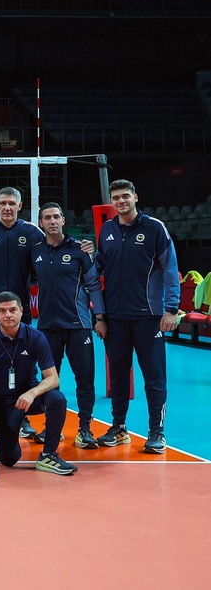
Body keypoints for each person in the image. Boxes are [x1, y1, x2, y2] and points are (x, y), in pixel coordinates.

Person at [93, 179, 178, 454]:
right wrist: (99, 316)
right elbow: (97, 269)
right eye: (116, 197)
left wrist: (171, 309)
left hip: (148, 317)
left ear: (135, 197)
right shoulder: (107, 230)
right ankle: (119, 428)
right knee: (118, 376)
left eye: (125, 196)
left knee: (154, 377)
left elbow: (170, 269)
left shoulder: (154, 228)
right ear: (112, 202)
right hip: (115, 318)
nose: (121, 201)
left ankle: (157, 432)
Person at [0, 292, 78, 475]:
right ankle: (0, 431)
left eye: (12, 310)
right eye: (2, 311)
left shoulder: (36, 337)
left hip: (27, 397)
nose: (8, 315)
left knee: (57, 399)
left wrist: (32, 393)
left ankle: (49, 455)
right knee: (9, 459)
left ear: (21, 311)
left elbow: (53, 378)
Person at [31, 202, 103, 448]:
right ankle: (52, 428)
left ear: (63, 220)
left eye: (56, 217)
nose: (52, 221)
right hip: (47, 327)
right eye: (47, 218)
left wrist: (100, 317)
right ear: (41, 223)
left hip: (78, 325)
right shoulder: (35, 251)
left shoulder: (79, 250)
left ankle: (85, 429)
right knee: (50, 379)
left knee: (85, 379)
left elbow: (94, 285)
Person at [0, 186, 44, 439]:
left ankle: (21, 415)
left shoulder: (32, 232)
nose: (7, 207)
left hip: (20, 310)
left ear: (20, 205)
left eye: (11, 203)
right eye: (3, 203)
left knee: (23, 363)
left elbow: (47, 253)